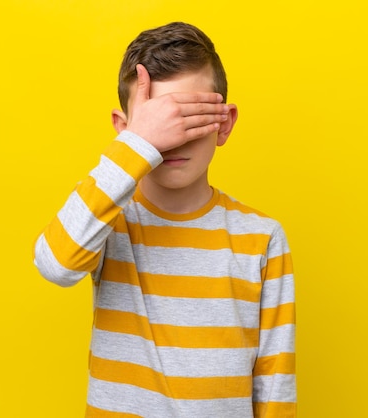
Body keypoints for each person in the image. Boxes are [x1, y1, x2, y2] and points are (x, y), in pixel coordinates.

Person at [33, 22, 296, 418]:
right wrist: (138, 145)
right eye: (160, 122)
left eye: (189, 117)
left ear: (223, 122)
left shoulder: (262, 237)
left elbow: (275, 383)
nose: (174, 139)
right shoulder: (108, 216)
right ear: (126, 130)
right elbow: (56, 263)